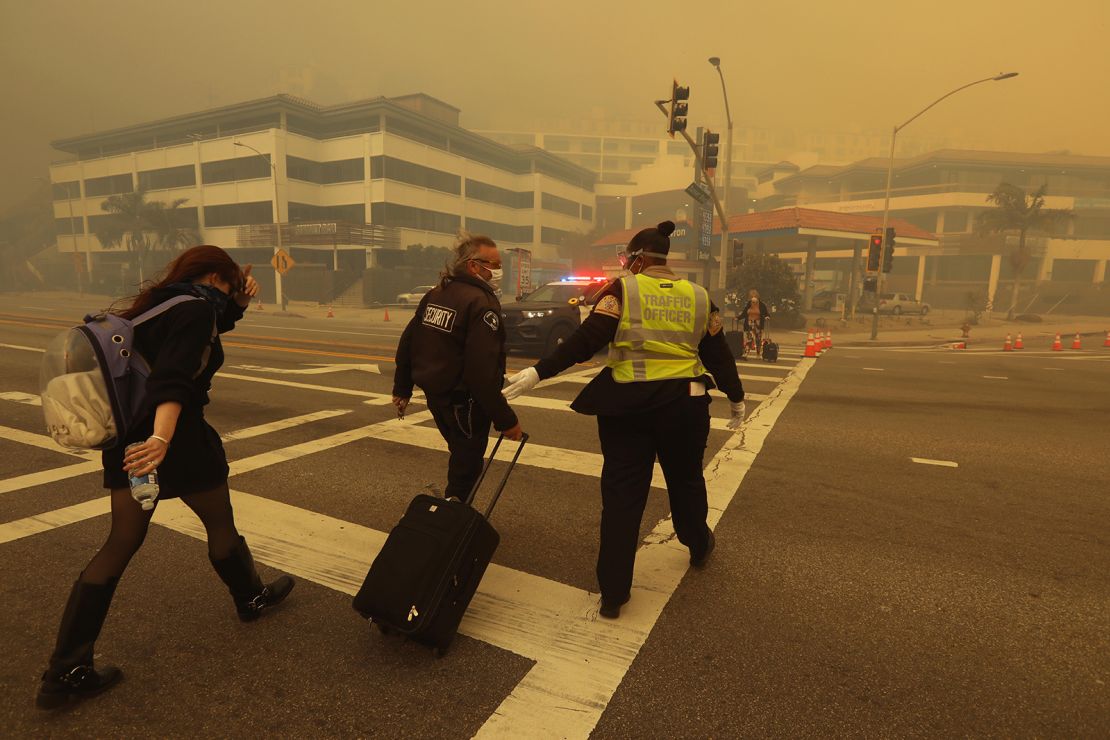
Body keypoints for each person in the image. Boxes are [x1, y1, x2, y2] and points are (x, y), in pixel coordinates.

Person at [37, 245, 295, 710]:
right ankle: (249, 597)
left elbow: (189, 343)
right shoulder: (197, 310)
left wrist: (237, 306)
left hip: (129, 444)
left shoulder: (161, 304)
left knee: (121, 541)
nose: (235, 289)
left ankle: (66, 669)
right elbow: (175, 376)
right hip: (175, 441)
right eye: (232, 282)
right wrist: (162, 440)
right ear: (217, 276)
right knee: (219, 522)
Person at [501, 221, 745, 619]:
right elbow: (718, 354)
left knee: (622, 496)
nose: (624, 264)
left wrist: (537, 374)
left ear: (639, 258)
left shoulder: (622, 290)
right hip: (686, 405)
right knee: (685, 479)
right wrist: (735, 398)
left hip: (629, 407)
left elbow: (586, 341)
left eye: (625, 258)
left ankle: (614, 593)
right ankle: (698, 544)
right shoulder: (701, 298)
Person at [392, 232, 524, 501]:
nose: (499, 271)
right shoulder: (480, 303)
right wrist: (506, 420)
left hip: (438, 397)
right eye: (494, 265)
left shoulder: (437, 293)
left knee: (460, 454)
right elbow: (482, 372)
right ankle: (451, 520)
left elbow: (408, 341)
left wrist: (402, 388)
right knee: (466, 467)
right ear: (474, 265)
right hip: (465, 403)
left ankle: (452, 513)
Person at [742, 289, 770, 356]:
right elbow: (744, 313)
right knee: (749, 337)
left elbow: (766, 313)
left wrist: (767, 317)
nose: (753, 297)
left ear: (757, 297)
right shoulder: (749, 304)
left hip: (758, 324)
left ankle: (758, 352)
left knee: (758, 339)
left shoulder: (762, 305)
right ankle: (747, 351)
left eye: (754, 296)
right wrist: (738, 318)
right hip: (749, 323)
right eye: (751, 296)